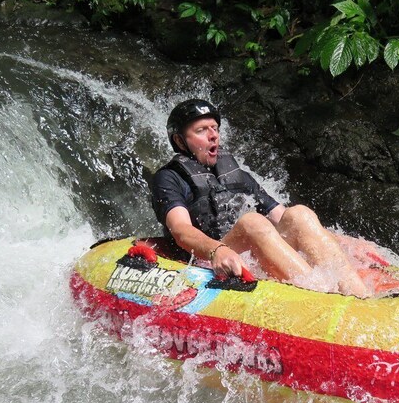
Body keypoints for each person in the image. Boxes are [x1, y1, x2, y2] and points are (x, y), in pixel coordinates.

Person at [150, 98, 370, 298]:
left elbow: (284, 218)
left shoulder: (235, 174)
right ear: (179, 141)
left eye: (214, 128)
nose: (213, 135)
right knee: (251, 222)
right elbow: (180, 230)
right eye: (201, 130)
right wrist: (216, 250)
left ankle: (359, 297)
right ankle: (324, 297)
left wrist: (346, 242)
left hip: (241, 255)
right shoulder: (168, 178)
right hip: (206, 259)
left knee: (299, 214)